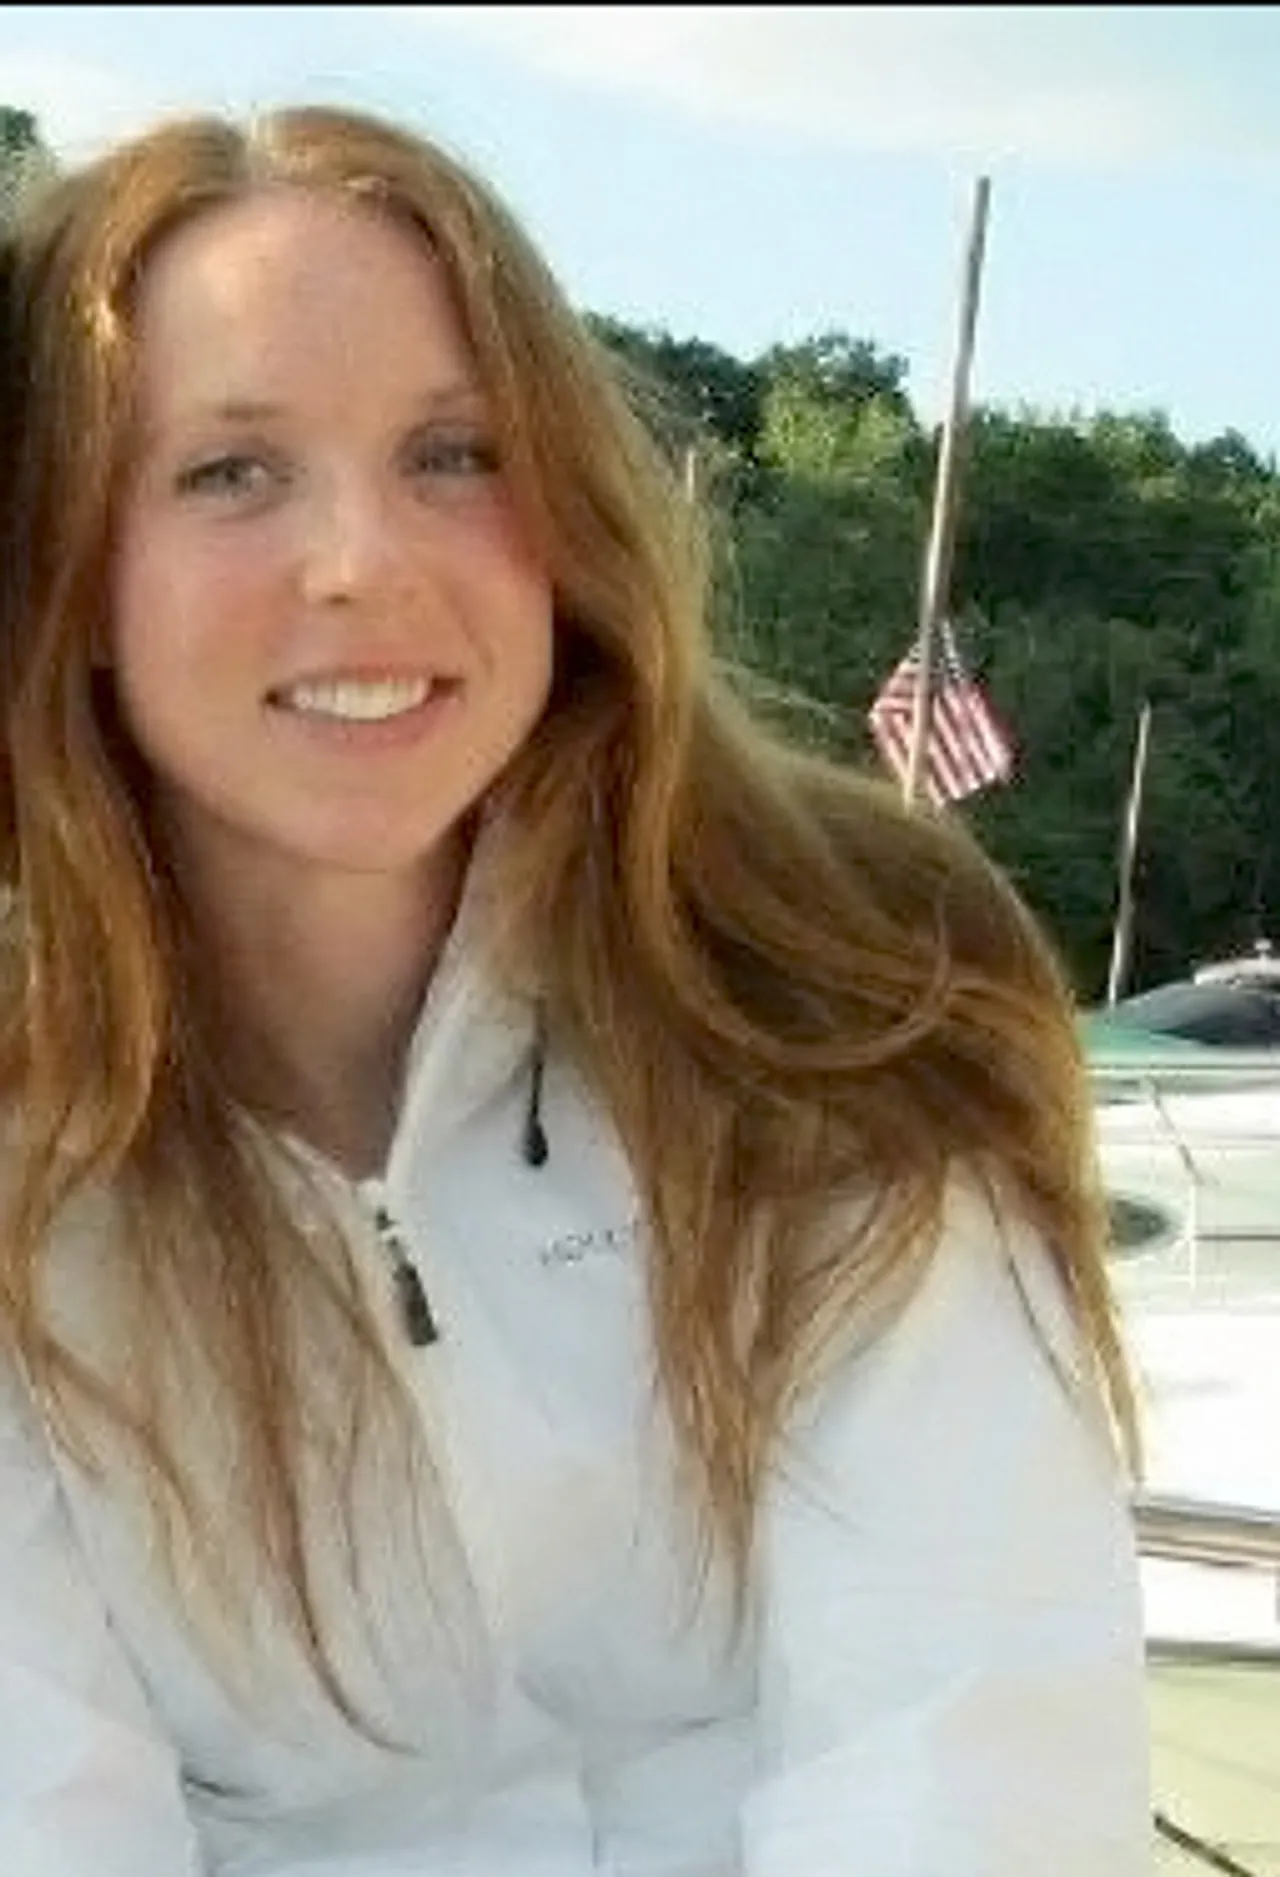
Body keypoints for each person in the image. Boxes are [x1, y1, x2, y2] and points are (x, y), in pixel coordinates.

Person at [0, 102, 1150, 1876]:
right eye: (230, 472)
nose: (363, 558)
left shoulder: (834, 1003)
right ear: (70, 572)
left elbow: (970, 1757)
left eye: (454, 454)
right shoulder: (25, 1166)